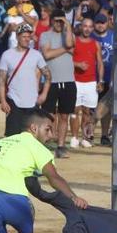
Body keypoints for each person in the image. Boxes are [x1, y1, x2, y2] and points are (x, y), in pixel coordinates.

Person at [0, 23, 52, 137]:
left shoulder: (36, 55)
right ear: (17, 37)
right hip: (14, 101)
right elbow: (1, 80)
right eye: (24, 36)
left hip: (32, 102)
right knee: (12, 136)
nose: (27, 39)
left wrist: (44, 94)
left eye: (29, 37)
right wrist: (3, 100)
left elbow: (48, 75)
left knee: (32, 137)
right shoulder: (7, 55)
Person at [39, 9, 77, 158]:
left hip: (68, 80)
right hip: (51, 81)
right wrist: (66, 50)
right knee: (47, 115)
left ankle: (61, 146)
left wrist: (68, 26)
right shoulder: (45, 35)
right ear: (51, 21)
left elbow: (69, 42)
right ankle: (45, 143)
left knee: (64, 116)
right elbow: (47, 54)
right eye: (56, 20)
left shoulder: (69, 34)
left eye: (61, 21)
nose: (58, 24)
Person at [72, 17, 104, 148]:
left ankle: (85, 137)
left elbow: (100, 63)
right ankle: (74, 137)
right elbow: (67, 59)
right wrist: (78, 64)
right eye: (85, 26)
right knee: (75, 110)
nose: (87, 29)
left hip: (91, 82)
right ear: (81, 27)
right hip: (76, 81)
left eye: (90, 26)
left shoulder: (95, 44)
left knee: (87, 111)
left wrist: (100, 80)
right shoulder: (74, 41)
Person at [91, 13, 116, 147]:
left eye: (103, 23)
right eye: (98, 23)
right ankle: (89, 133)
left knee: (106, 108)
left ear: (107, 23)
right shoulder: (90, 36)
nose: (100, 25)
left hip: (108, 77)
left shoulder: (113, 36)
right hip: (91, 77)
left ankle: (104, 135)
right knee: (90, 108)